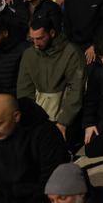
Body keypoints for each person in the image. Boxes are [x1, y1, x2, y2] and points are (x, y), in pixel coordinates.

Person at [17, 16, 85, 146]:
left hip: (65, 114)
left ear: (52, 33)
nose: (36, 43)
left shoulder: (71, 52)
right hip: (38, 113)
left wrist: (63, 122)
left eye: (40, 38)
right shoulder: (29, 54)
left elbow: (76, 90)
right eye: (33, 39)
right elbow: (24, 89)